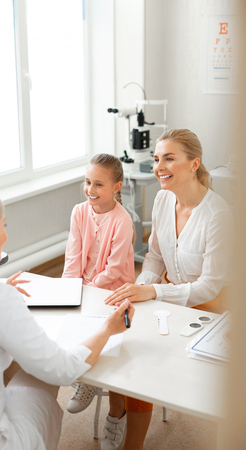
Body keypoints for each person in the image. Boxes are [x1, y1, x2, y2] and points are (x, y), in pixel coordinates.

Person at [0, 186, 135, 450]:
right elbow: (61, 369)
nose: (6, 235)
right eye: (3, 226)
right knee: (44, 371)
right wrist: (107, 329)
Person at [102, 129, 234, 450]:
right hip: (169, 297)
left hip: (210, 307)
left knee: (148, 363)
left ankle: (132, 445)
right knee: (125, 338)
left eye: (170, 158)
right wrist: (139, 287)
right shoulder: (162, 199)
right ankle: (116, 413)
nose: (159, 166)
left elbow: (207, 287)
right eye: (158, 158)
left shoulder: (218, 215)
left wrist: (154, 294)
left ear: (194, 164)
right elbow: (155, 258)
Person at [62, 154, 135, 427]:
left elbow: (114, 270)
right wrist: (70, 290)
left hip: (112, 290)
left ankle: (90, 380)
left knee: (100, 330)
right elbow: (72, 256)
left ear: (116, 187)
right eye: (87, 182)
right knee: (69, 325)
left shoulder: (122, 220)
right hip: (84, 286)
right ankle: (85, 375)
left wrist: (89, 292)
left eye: (98, 185)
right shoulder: (79, 212)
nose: (90, 190)